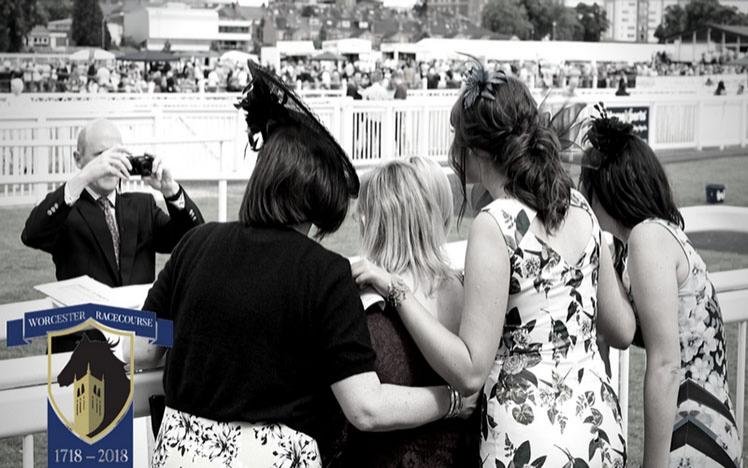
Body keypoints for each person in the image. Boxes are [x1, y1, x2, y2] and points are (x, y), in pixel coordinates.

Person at [135, 62, 473, 468]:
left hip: (179, 455)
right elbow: (366, 407)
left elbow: (143, 349)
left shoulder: (195, 244)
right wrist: (451, 400)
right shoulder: (325, 273)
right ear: (319, 195)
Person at [353, 60, 636, 466]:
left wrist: (396, 291)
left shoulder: (497, 224)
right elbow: (621, 330)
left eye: (457, 136)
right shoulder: (579, 207)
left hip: (528, 437)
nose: (453, 149)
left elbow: (469, 371)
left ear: (480, 149)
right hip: (597, 425)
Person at [578, 108, 742, 468]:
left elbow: (666, 365)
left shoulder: (647, 238)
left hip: (690, 426)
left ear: (606, 188)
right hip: (709, 422)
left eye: (586, 185)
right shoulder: (657, 236)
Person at [22, 119, 204, 350]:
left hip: (140, 344)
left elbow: (193, 237)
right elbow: (32, 234)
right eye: (100, 155)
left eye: (116, 154)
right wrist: (82, 179)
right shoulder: (66, 207)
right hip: (82, 346)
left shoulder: (142, 205)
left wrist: (171, 190)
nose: (109, 164)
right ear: (78, 159)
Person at [340, 159, 477, 467]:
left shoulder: (362, 297)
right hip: (455, 456)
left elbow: (365, 409)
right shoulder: (459, 287)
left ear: (375, 221)